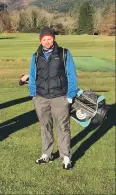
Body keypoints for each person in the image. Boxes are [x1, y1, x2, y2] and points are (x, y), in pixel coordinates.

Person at [28, 26, 77, 170]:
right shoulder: (35, 56)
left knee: (63, 127)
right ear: (40, 40)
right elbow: (32, 76)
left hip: (60, 97)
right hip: (41, 97)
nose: (47, 41)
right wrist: (33, 95)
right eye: (44, 39)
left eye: (49, 38)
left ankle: (66, 157)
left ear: (54, 39)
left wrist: (70, 95)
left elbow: (71, 75)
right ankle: (46, 154)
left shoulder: (64, 53)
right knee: (45, 126)